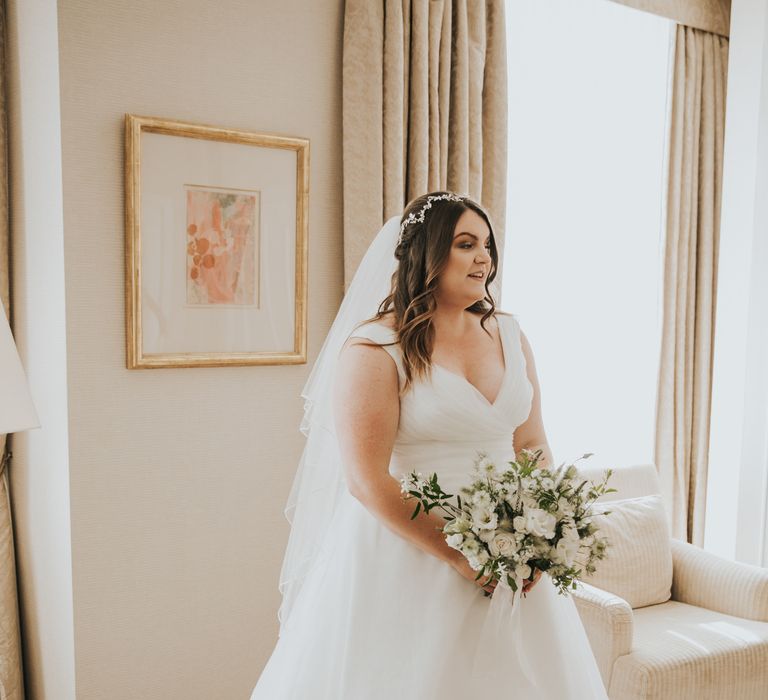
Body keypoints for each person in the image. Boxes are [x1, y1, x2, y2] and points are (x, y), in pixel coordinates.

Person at [250, 192, 609, 699]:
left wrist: (542, 533)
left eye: (487, 244)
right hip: (408, 555)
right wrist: (462, 556)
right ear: (427, 253)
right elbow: (366, 480)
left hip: (513, 556)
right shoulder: (376, 347)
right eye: (466, 244)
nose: (484, 257)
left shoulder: (510, 334)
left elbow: (530, 442)